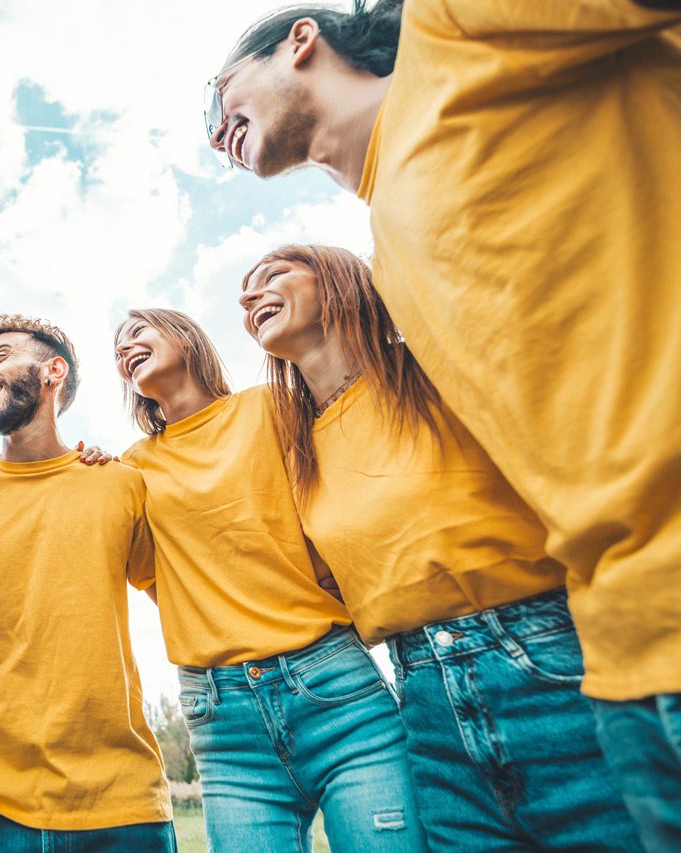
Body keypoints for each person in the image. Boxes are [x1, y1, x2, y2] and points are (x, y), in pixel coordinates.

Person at [205, 4, 681, 842]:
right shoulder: (395, 252)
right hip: (614, 650)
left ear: (301, 40)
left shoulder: (455, 33)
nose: (214, 133)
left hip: (559, 650)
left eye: (218, 97)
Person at [244, 243, 644, 851]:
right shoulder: (297, 450)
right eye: (244, 292)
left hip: (551, 661)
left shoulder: (435, 369)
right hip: (424, 701)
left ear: (340, 281)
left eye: (273, 275)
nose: (249, 297)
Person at [114, 307, 425, 852]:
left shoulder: (273, 406)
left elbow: (340, 494)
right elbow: (155, 578)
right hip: (223, 716)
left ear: (185, 337)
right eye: (118, 347)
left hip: (332, 684)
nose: (124, 347)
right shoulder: (131, 468)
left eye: (137, 332)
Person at [0, 314, 174, 852]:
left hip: (120, 799)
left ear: (52, 371)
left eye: (0, 355)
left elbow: (179, 601)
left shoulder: (120, 483)